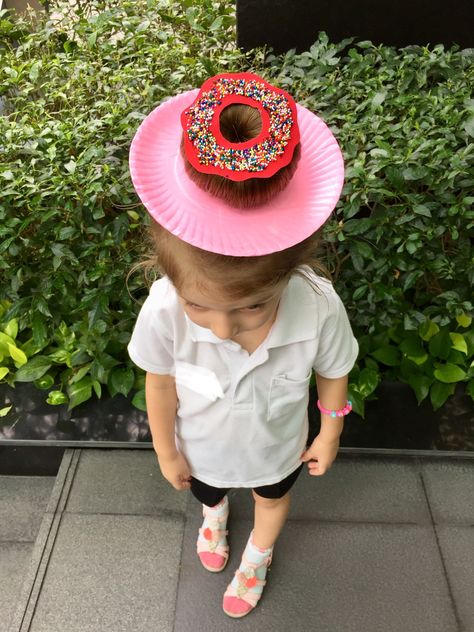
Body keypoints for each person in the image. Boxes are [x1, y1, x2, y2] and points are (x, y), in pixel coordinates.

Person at [127, 72, 359, 618]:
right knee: (208, 493)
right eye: (199, 308)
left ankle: (258, 553)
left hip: (277, 449)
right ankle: (213, 518)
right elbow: (158, 381)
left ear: (291, 271)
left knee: (273, 498)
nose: (223, 329)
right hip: (201, 450)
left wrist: (331, 430)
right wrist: (166, 450)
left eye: (253, 306)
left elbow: (333, 369)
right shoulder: (163, 307)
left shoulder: (318, 304)